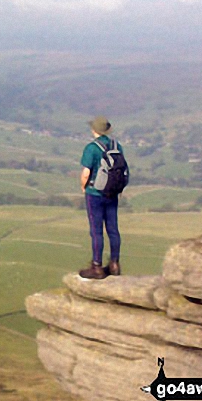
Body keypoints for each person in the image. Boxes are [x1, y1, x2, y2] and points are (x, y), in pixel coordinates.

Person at [79, 116, 124, 279]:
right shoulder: (116, 145)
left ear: (94, 130)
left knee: (96, 231)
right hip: (112, 193)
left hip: (95, 194)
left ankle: (96, 266)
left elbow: (86, 173)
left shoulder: (92, 148)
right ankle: (114, 264)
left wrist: (83, 187)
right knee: (113, 229)